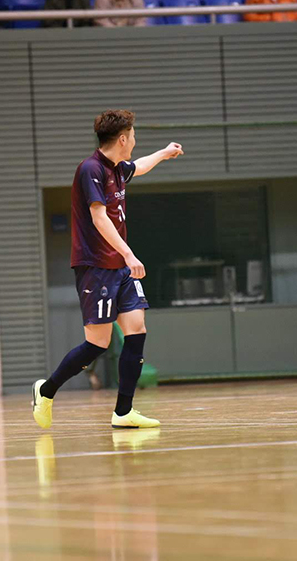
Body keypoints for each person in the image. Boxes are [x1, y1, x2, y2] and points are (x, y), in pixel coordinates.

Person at [32, 110, 184, 429]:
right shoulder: (91, 169)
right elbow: (99, 218)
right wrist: (129, 254)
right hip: (96, 267)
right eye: (134, 135)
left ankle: (123, 411)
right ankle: (46, 391)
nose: (135, 141)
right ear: (123, 139)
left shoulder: (117, 168)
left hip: (120, 268)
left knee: (136, 329)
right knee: (97, 345)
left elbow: (138, 166)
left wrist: (164, 153)